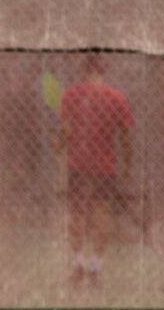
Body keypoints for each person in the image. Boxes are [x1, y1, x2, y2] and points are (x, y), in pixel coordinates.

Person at [55, 53, 134, 286]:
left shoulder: (71, 95)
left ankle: (79, 263)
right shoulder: (117, 98)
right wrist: (127, 163)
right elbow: (126, 136)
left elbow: (66, 131)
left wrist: (58, 144)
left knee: (77, 213)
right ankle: (96, 266)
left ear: (84, 69)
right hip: (105, 166)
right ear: (104, 70)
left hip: (78, 164)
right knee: (101, 214)